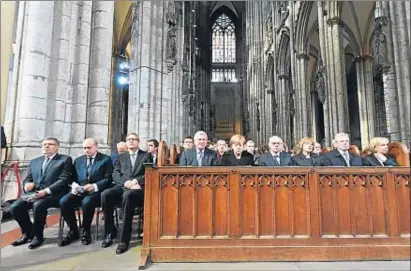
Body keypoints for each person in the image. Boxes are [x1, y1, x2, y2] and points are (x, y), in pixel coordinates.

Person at [10, 137, 72, 249]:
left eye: (50, 144)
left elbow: (64, 179)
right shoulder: (35, 161)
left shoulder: (65, 159)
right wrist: (27, 185)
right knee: (15, 207)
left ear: (57, 147)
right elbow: (28, 178)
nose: (46, 146)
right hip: (35, 194)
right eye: (44, 144)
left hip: (54, 194)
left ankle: (38, 236)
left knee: (38, 205)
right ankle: (28, 233)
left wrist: (46, 191)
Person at [101, 133, 152, 255]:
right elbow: (115, 173)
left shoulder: (146, 156)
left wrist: (136, 181)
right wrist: (125, 183)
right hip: (123, 186)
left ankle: (124, 240)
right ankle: (109, 232)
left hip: (138, 189)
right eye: (129, 139)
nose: (131, 141)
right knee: (106, 195)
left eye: (133, 139)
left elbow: (149, 172)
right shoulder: (121, 156)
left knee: (128, 197)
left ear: (138, 142)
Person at [59, 138, 113, 246]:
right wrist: (75, 186)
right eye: (84, 148)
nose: (86, 150)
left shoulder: (106, 159)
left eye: (89, 147)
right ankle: (73, 230)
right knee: (64, 201)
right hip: (80, 191)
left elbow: (108, 179)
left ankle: (86, 230)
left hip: (97, 192)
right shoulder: (79, 160)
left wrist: (94, 186)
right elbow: (72, 178)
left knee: (87, 202)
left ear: (96, 147)